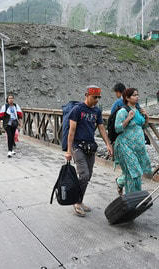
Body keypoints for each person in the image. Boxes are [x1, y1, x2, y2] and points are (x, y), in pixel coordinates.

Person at [65, 85, 113, 217]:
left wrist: (108, 144)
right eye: (94, 97)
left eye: (98, 97)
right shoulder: (77, 109)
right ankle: (76, 202)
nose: (97, 99)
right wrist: (69, 151)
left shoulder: (97, 111)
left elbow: (102, 128)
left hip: (90, 147)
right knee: (84, 175)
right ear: (87, 95)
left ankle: (79, 200)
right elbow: (71, 131)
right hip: (78, 147)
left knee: (88, 176)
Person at [113, 88, 152, 194]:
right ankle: (132, 197)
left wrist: (146, 117)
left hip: (138, 148)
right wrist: (128, 118)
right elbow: (117, 128)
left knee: (135, 172)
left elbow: (143, 126)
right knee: (134, 172)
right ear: (127, 98)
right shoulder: (123, 111)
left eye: (137, 95)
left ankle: (124, 185)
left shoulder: (138, 110)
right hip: (125, 146)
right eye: (134, 95)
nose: (137, 97)